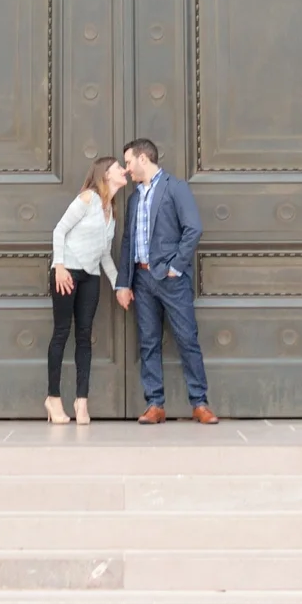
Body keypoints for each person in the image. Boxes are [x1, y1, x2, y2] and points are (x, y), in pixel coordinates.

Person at [114, 137, 218, 424]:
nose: (127, 168)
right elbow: (128, 241)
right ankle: (155, 404)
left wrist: (175, 267)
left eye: (128, 162)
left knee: (187, 339)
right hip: (141, 279)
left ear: (143, 158)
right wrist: (124, 283)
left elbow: (193, 229)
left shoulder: (176, 187)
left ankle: (200, 403)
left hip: (172, 281)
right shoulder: (134, 198)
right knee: (148, 343)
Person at [45, 156, 127, 424]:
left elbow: (104, 255)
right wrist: (59, 266)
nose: (124, 171)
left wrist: (119, 286)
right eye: (118, 168)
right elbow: (59, 230)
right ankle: (53, 399)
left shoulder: (111, 211)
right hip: (66, 272)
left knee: (84, 336)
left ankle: (81, 402)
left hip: (91, 276)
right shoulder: (87, 199)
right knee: (61, 333)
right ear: (106, 174)